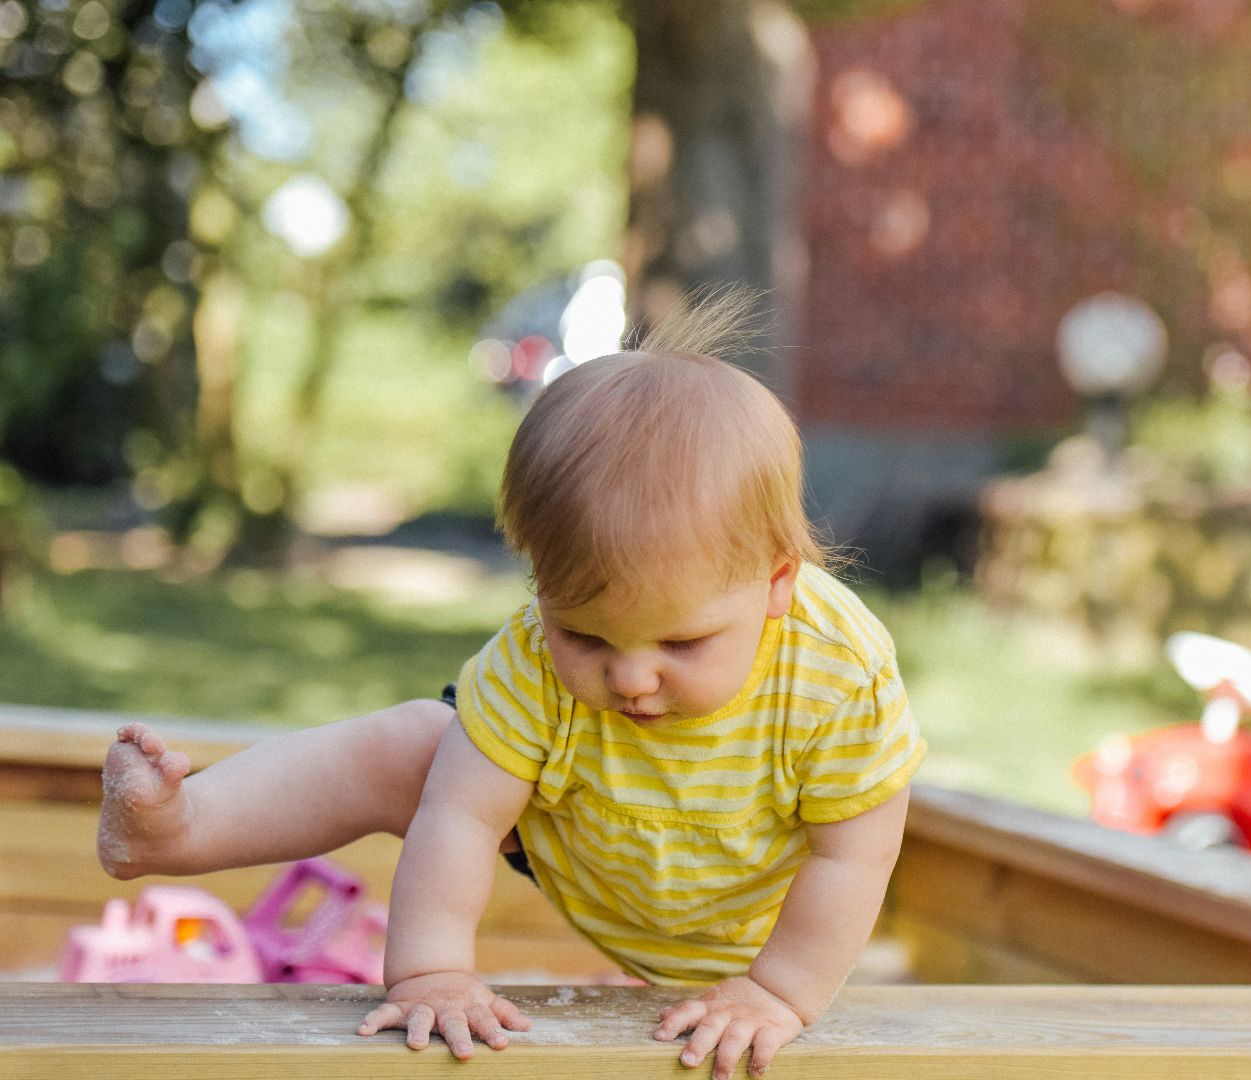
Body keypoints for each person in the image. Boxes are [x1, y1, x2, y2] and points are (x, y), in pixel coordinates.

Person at [94, 289, 925, 1080]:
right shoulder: (530, 656)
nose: (630, 677)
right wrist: (430, 972)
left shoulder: (836, 674)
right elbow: (460, 816)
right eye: (585, 635)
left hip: (761, 915)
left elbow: (855, 852)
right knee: (416, 746)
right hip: (588, 839)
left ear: (778, 582)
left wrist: (778, 991)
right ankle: (181, 827)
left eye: (682, 642)